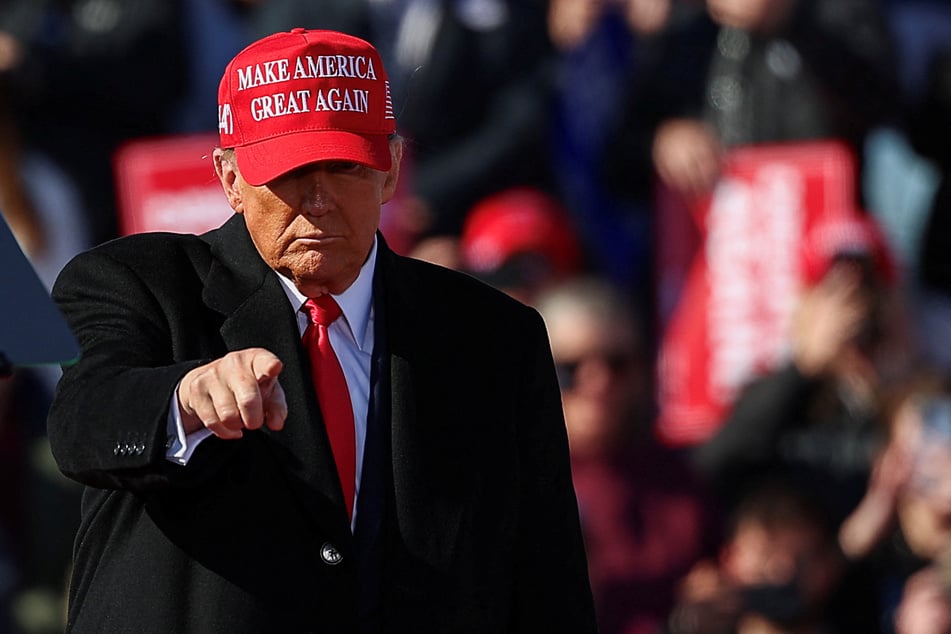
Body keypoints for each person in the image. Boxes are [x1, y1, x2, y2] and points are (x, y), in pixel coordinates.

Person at [45, 28, 596, 633]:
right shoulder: (134, 283)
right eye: (286, 171)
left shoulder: (495, 338)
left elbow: (547, 580)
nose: (317, 199)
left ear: (390, 170)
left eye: (344, 168)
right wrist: (182, 403)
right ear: (229, 178)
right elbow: (84, 422)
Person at [536, 277, 717, 634]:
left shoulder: (679, 482)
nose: (598, 382)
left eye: (616, 364)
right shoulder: (507, 482)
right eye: (571, 368)